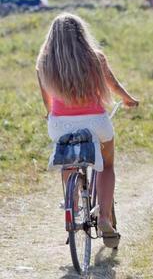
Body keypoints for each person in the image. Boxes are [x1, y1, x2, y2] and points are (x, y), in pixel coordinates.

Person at [36, 13, 140, 248]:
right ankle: (104, 217)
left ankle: (71, 204)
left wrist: (52, 115)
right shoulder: (96, 59)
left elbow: (48, 103)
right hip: (96, 123)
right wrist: (129, 99)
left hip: (60, 125)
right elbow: (113, 86)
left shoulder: (43, 63)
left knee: (68, 162)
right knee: (107, 164)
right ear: (81, 35)